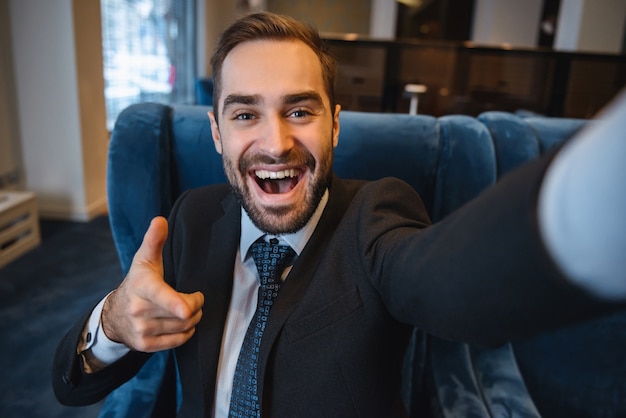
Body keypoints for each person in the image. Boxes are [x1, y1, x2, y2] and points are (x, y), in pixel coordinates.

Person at [53, 12, 626, 417]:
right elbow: (72, 388)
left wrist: (597, 195)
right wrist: (111, 325)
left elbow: (445, 281)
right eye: (246, 115)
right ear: (217, 134)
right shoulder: (193, 215)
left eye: (299, 110)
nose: (275, 143)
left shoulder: (377, 214)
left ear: (335, 125)